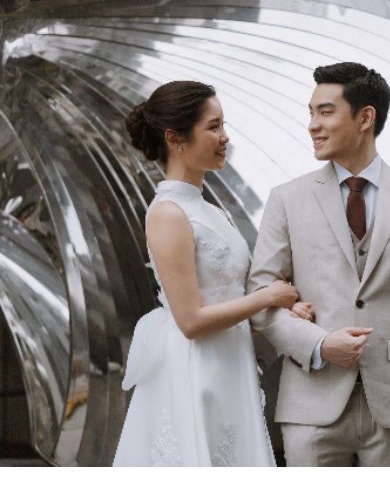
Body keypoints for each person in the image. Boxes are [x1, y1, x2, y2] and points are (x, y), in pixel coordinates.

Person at [247, 62, 390, 467]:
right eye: (311, 112)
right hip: (311, 401)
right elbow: (260, 301)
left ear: (365, 118)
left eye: (325, 112)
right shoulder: (287, 199)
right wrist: (319, 344)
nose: (312, 124)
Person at [113, 80, 300, 467]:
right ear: (175, 138)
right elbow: (190, 321)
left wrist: (283, 307)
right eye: (213, 127)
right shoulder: (168, 213)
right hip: (196, 371)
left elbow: (232, 298)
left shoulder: (213, 211)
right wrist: (266, 297)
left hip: (232, 365)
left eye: (223, 125)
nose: (224, 137)